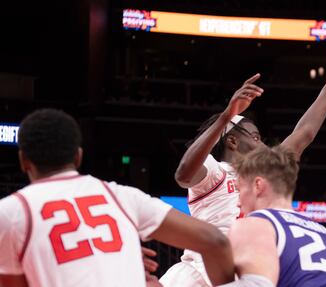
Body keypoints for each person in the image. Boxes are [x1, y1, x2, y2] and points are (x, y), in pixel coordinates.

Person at [160, 35, 326, 286]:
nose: (263, 144)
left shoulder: (264, 173)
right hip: (197, 275)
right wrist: (226, 116)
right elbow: (184, 175)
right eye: (255, 136)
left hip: (241, 277)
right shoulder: (216, 171)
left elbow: (303, 134)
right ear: (232, 141)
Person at [0, 109, 234, 287]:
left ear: (23, 161)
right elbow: (215, 241)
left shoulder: (10, 211)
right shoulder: (121, 195)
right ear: (78, 156)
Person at [224, 145, 326, 287]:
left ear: (258, 185)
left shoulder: (256, 224)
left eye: (239, 189)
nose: (238, 202)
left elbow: (256, 285)